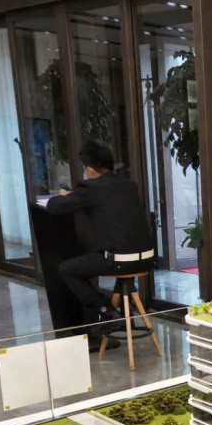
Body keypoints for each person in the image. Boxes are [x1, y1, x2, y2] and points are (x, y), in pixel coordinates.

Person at [45, 140, 155, 351]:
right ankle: (121, 313)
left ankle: (106, 310)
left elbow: (54, 207)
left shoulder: (90, 188)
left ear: (89, 169)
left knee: (66, 269)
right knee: (97, 258)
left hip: (119, 261)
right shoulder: (129, 185)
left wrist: (66, 196)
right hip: (146, 259)